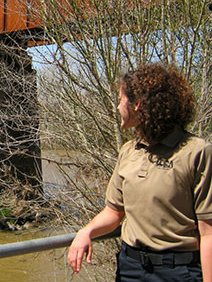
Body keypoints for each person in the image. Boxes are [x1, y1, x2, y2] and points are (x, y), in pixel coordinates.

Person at [67, 64, 212, 281]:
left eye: (120, 100)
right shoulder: (128, 151)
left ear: (138, 105)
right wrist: (85, 231)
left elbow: (208, 233)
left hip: (178, 272)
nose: (117, 107)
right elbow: (114, 212)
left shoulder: (197, 152)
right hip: (130, 268)